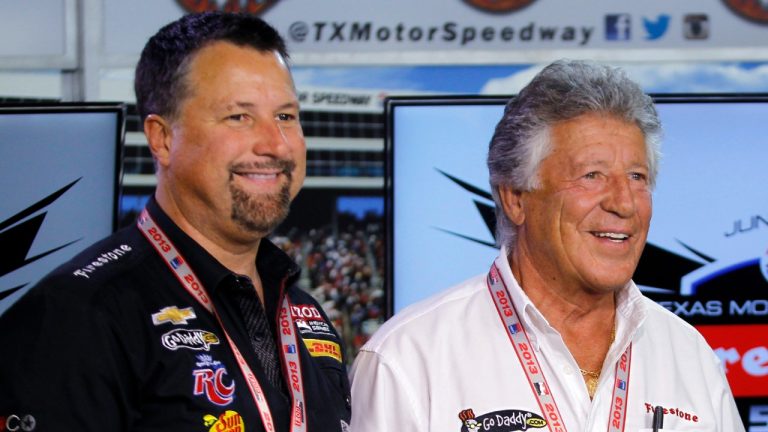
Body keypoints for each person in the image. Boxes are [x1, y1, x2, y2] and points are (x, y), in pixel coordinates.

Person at [0, 12, 351, 432]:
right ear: (162, 138)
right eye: (238, 116)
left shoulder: (306, 315)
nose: (274, 144)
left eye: (286, 117)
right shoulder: (76, 317)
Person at [349, 60, 744, 431]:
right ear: (516, 198)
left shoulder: (690, 355)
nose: (624, 203)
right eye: (592, 175)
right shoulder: (408, 359)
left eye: (638, 177)